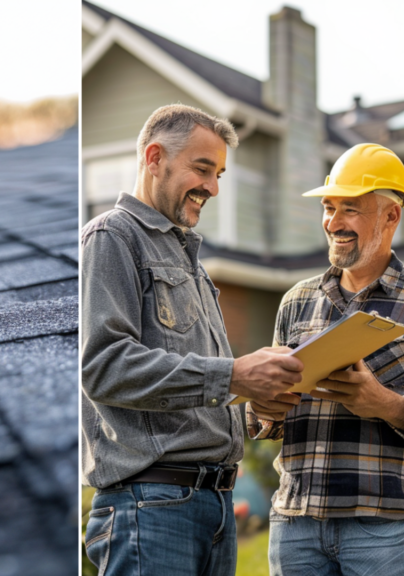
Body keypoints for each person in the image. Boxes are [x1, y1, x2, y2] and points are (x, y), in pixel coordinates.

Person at [81, 104, 304, 576]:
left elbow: (195, 397)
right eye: (203, 169)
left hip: (213, 506)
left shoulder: (191, 263)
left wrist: (257, 411)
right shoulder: (112, 238)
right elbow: (103, 366)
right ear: (155, 157)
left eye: (220, 173)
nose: (214, 188)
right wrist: (235, 373)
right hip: (151, 506)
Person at [247, 143, 404, 576]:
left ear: (391, 216)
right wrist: (263, 410)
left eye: (350, 209)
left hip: (385, 526)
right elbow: (266, 422)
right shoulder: (296, 301)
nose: (333, 222)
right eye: (329, 207)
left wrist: (385, 404)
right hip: (296, 523)